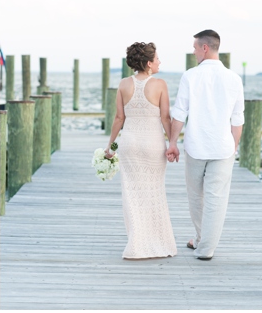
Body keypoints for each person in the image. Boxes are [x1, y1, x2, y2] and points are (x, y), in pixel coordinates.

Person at [165, 30, 245, 261]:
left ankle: (204, 244)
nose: (193, 52)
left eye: (194, 47)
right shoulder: (234, 78)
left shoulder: (190, 76)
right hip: (223, 147)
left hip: (196, 146)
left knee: (196, 197)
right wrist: (234, 146)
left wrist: (172, 143)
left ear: (205, 48)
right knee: (216, 198)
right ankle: (204, 245)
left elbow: (179, 113)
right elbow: (237, 118)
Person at [105, 42, 177, 259]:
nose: (159, 62)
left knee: (132, 195)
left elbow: (119, 119)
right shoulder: (160, 84)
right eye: (157, 59)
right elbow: (165, 118)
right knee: (154, 193)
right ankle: (157, 244)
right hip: (153, 145)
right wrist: (173, 143)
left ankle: (137, 243)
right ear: (148, 63)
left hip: (129, 146)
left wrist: (111, 147)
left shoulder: (123, 85)